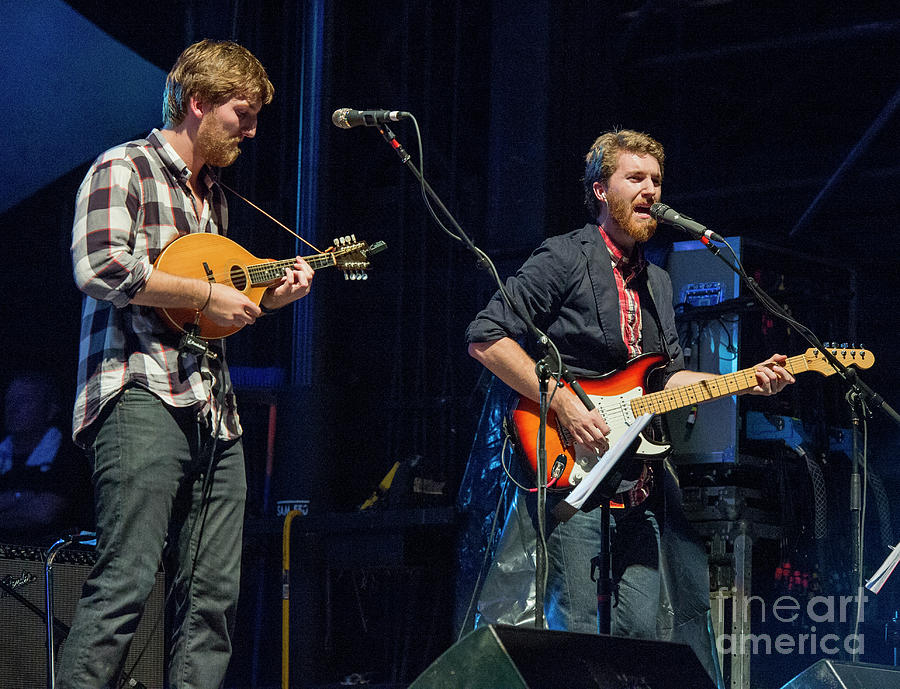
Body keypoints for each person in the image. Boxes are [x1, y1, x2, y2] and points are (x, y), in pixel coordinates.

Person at [466, 129, 794, 673]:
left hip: (636, 477)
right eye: (635, 178)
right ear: (600, 190)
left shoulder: (658, 283)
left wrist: (747, 380)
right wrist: (565, 405)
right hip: (572, 461)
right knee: (573, 630)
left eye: (657, 181)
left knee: (641, 633)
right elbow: (486, 336)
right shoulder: (565, 256)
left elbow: (663, 379)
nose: (650, 191)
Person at [57, 40, 314, 689]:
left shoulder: (214, 199)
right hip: (138, 392)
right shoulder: (125, 168)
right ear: (197, 102)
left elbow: (209, 313)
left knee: (212, 600)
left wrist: (265, 298)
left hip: (213, 410)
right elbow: (99, 266)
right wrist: (207, 291)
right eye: (242, 112)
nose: (251, 130)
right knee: (125, 582)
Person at [0, 371, 91, 545]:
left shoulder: (70, 454)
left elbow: (45, 513)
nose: (13, 408)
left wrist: (10, 500)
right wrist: (22, 497)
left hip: (52, 557)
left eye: (24, 401)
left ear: (50, 410)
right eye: (9, 401)